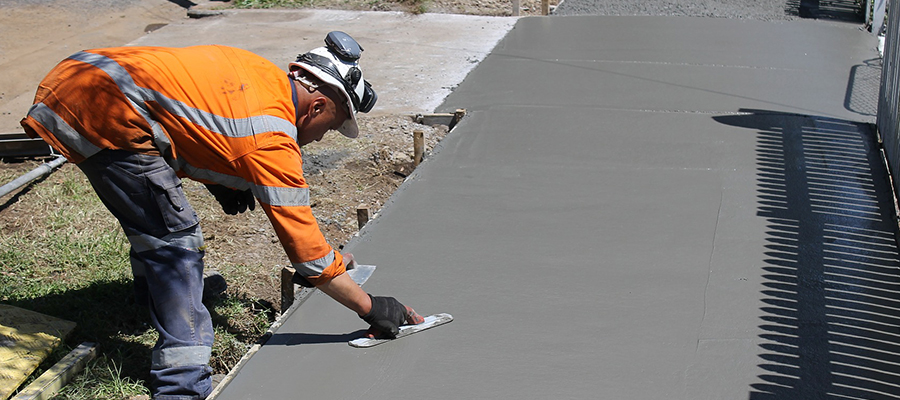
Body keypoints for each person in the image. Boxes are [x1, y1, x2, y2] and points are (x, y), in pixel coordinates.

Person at [20, 32, 419, 400]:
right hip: (101, 110)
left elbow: (192, 119)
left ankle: (156, 295)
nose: (320, 138)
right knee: (174, 242)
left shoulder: (261, 74)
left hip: (81, 76)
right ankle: (182, 383)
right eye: (329, 127)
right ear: (316, 106)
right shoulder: (272, 140)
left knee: (153, 221)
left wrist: (220, 181)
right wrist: (371, 307)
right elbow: (307, 256)